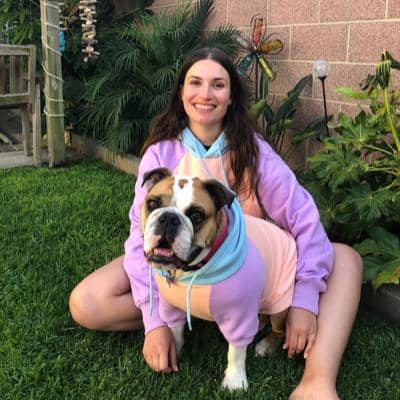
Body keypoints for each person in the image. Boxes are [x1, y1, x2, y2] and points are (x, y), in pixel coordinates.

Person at [69, 47, 363, 400]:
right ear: (181, 92)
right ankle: (196, 312)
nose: (205, 94)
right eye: (195, 82)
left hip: (247, 270)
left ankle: (317, 380)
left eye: (218, 85)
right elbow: (138, 233)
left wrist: (304, 299)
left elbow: (304, 219)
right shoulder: (160, 153)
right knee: (86, 302)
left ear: (231, 96)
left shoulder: (254, 152)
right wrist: (154, 320)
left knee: (346, 258)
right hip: (172, 263)